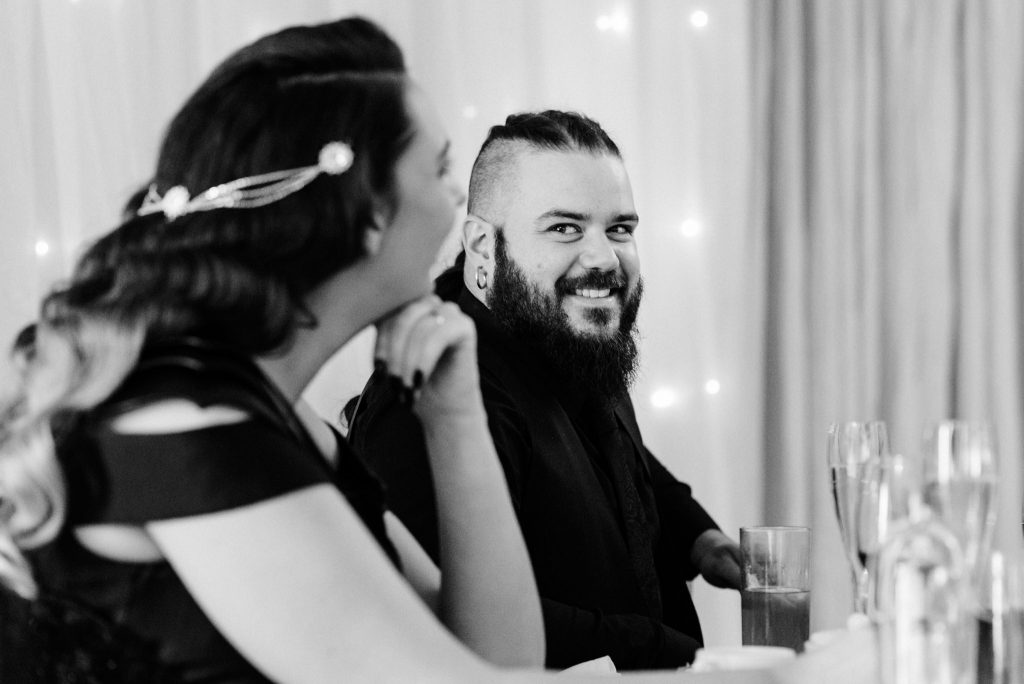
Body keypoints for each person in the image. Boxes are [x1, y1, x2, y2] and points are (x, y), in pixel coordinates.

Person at [0, 17, 546, 682]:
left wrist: (456, 421)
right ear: (369, 213)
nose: (456, 197)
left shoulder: (284, 425)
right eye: (437, 169)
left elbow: (506, 661)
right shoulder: (192, 432)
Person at [349, 110, 743, 671]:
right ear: (483, 248)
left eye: (620, 229)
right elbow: (448, 624)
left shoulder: (562, 336)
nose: (604, 258)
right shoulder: (437, 396)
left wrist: (697, 534)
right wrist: (669, 651)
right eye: (564, 228)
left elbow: (618, 455)